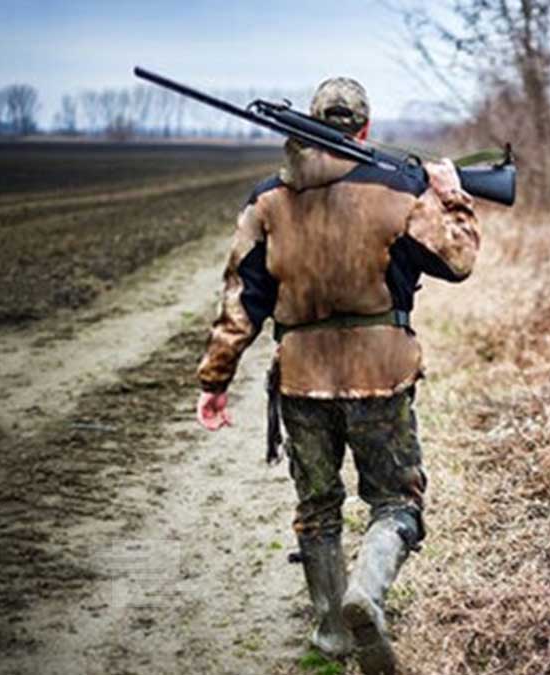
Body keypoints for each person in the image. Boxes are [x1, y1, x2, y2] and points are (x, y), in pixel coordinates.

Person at [192, 77, 480, 675]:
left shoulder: (267, 199)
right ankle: (365, 595)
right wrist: (451, 196)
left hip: (302, 380)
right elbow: (459, 261)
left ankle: (330, 636)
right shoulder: (400, 189)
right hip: (383, 373)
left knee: (317, 509)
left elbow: (241, 299)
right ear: (366, 129)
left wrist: (215, 379)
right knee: (396, 504)